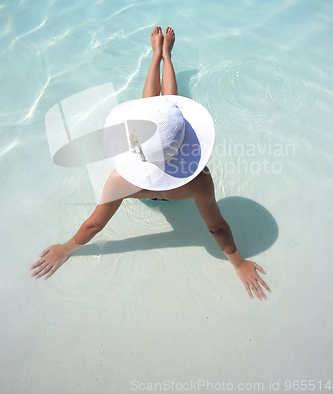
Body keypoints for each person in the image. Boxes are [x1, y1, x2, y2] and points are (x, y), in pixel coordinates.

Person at [30, 26, 271, 301]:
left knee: (155, 113)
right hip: (179, 190)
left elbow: (94, 226)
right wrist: (239, 263)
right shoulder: (200, 178)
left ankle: (156, 54)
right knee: (167, 116)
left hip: (140, 189)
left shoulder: (119, 180)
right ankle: (166, 55)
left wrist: (66, 247)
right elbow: (217, 227)